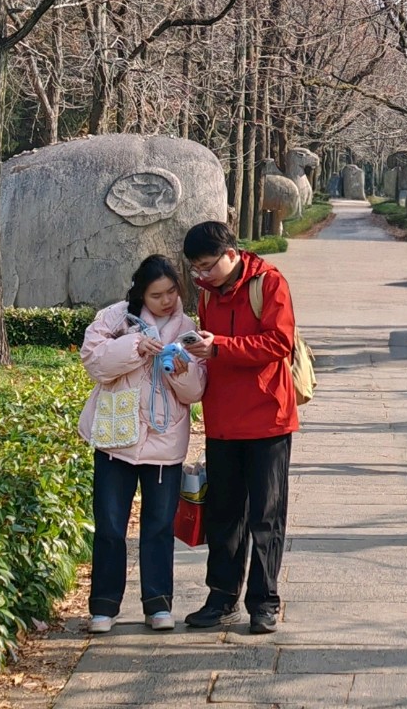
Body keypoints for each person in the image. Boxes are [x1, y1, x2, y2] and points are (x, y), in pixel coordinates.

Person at [78, 254, 208, 634]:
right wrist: (134, 347)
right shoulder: (115, 318)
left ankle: (158, 604)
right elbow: (93, 362)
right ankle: (104, 607)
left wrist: (180, 373)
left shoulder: (188, 329)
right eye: (156, 295)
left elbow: (196, 391)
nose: (166, 301)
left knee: (158, 527)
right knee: (110, 525)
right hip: (116, 439)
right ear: (140, 294)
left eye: (171, 292)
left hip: (165, 442)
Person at [181, 220, 299, 635]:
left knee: (266, 517)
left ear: (231, 253)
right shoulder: (206, 293)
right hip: (222, 421)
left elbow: (280, 342)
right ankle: (221, 598)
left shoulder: (268, 283)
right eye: (196, 268)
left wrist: (219, 347)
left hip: (267, 418)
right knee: (224, 514)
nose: (203, 274)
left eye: (208, 265)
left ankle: (264, 602)